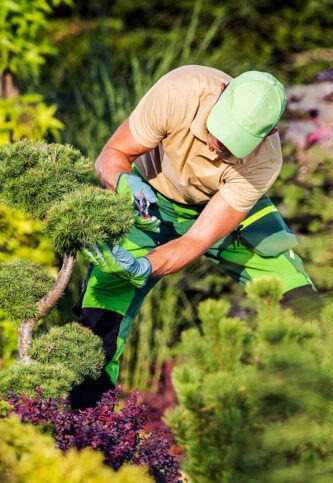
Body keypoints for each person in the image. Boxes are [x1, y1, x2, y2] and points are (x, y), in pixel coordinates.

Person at [70, 65, 320, 410]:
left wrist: (144, 266)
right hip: (150, 202)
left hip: (223, 212)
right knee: (100, 310)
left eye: (235, 144)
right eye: (221, 132)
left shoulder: (264, 161)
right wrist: (125, 182)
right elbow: (112, 156)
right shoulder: (179, 91)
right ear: (220, 92)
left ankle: (328, 411)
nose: (218, 148)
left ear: (270, 132)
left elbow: (196, 240)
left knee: (299, 299)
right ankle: (90, 432)